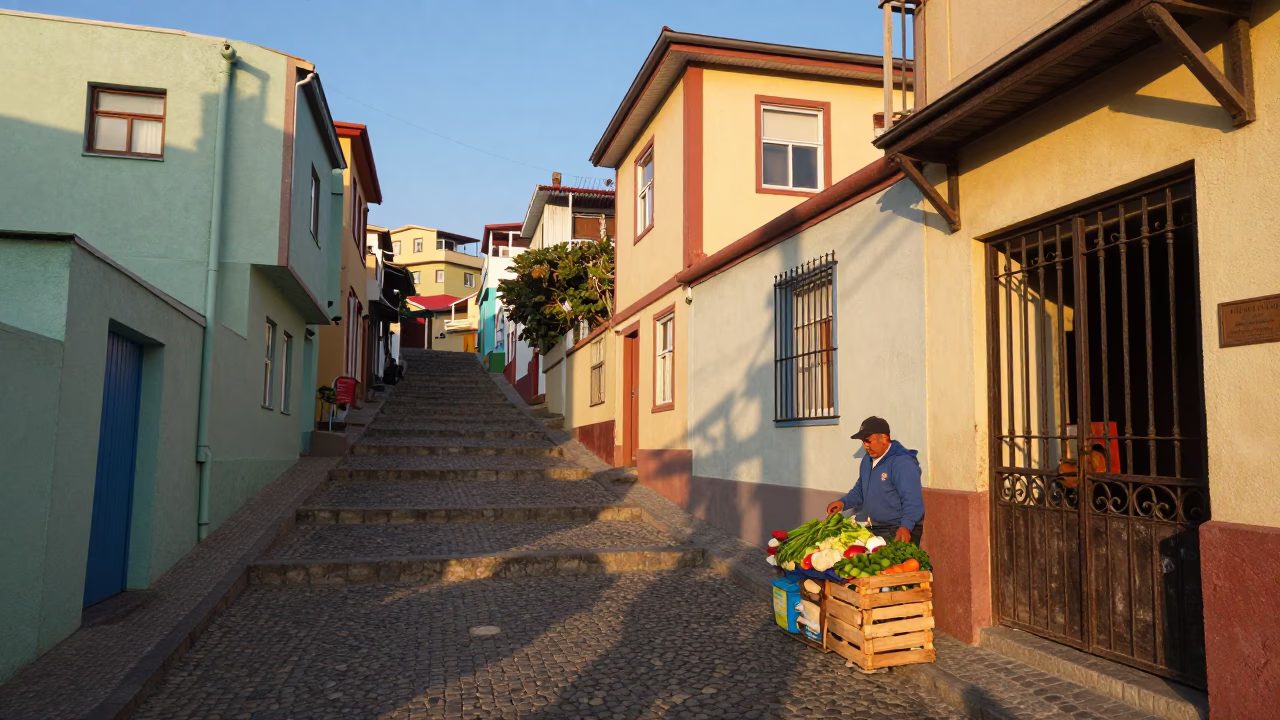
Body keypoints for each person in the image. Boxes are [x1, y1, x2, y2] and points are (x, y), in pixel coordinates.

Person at [826, 416, 925, 545]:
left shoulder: (902, 463)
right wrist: (843, 503)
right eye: (863, 441)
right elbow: (860, 489)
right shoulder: (867, 461)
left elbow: (913, 500)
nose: (865, 445)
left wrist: (906, 526)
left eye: (868, 440)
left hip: (898, 531)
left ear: (884, 438)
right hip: (877, 529)